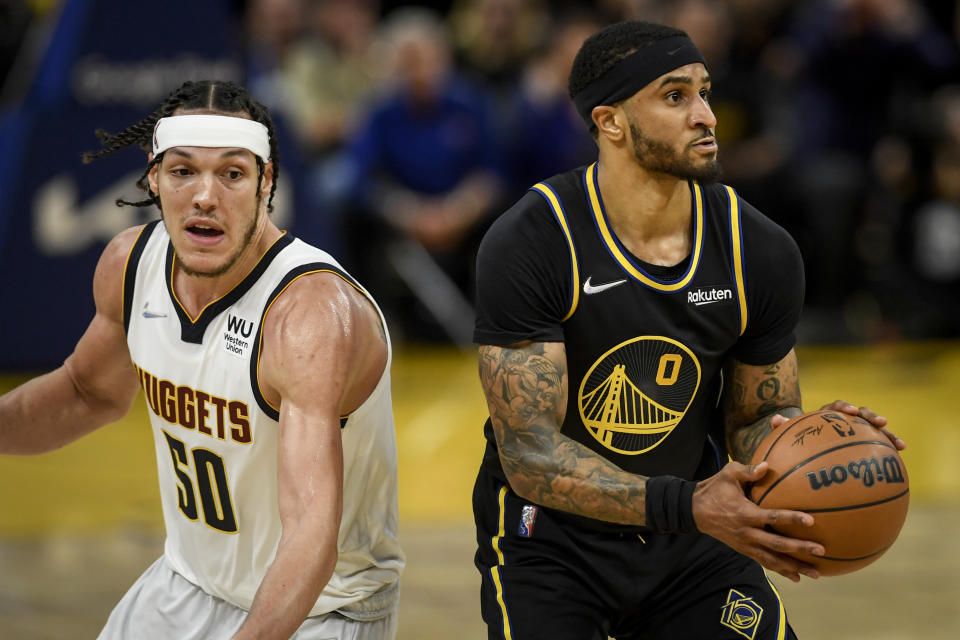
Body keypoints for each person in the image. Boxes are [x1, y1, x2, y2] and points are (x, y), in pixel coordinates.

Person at [471, 21, 906, 640]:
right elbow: (530, 454)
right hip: (552, 543)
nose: (706, 115)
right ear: (611, 121)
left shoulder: (760, 248)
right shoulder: (533, 242)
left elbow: (756, 419)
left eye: (704, 91)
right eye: (675, 96)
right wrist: (691, 503)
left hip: (692, 541)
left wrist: (802, 443)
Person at [0, 80, 403, 640]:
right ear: (153, 176)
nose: (204, 197)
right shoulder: (130, 263)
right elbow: (86, 393)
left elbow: (311, 531)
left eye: (232, 174)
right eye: (183, 170)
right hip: (185, 581)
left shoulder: (309, 315)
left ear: (266, 183)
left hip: (319, 606)